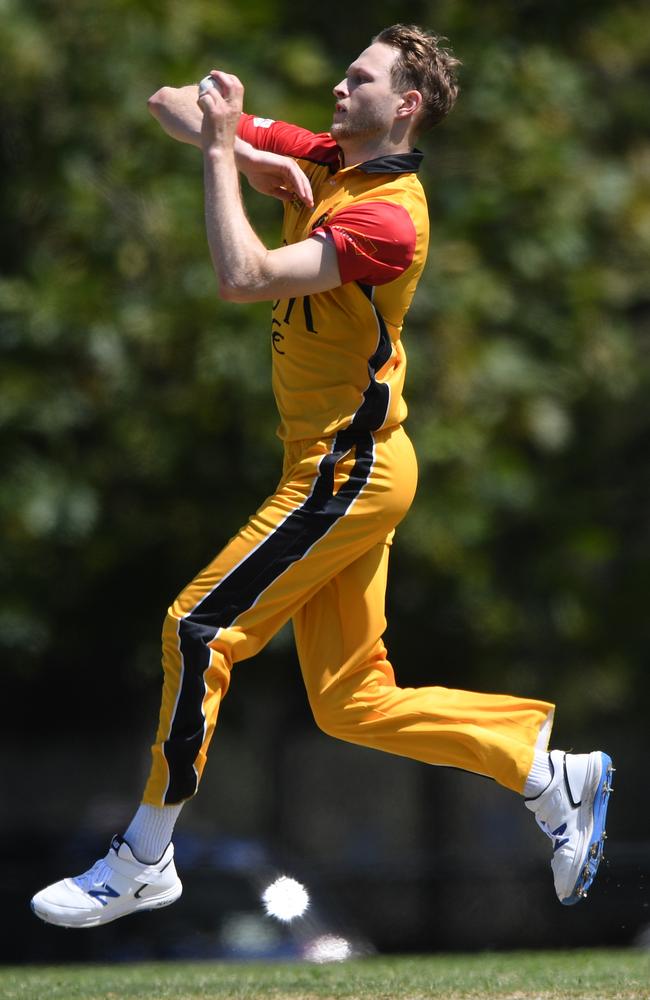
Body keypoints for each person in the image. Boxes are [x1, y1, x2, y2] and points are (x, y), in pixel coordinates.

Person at [31, 24, 614, 929]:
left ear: (406, 106)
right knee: (351, 703)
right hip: (342, 463)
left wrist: (229, 152)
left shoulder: (387, 216)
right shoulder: (329, 159)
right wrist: (250, 154)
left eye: (360, 78)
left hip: (352, 466)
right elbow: (168, 104)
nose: (339, 88)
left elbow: (245, 274)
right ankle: (544, 769)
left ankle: (146, 852)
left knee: (197, 626)